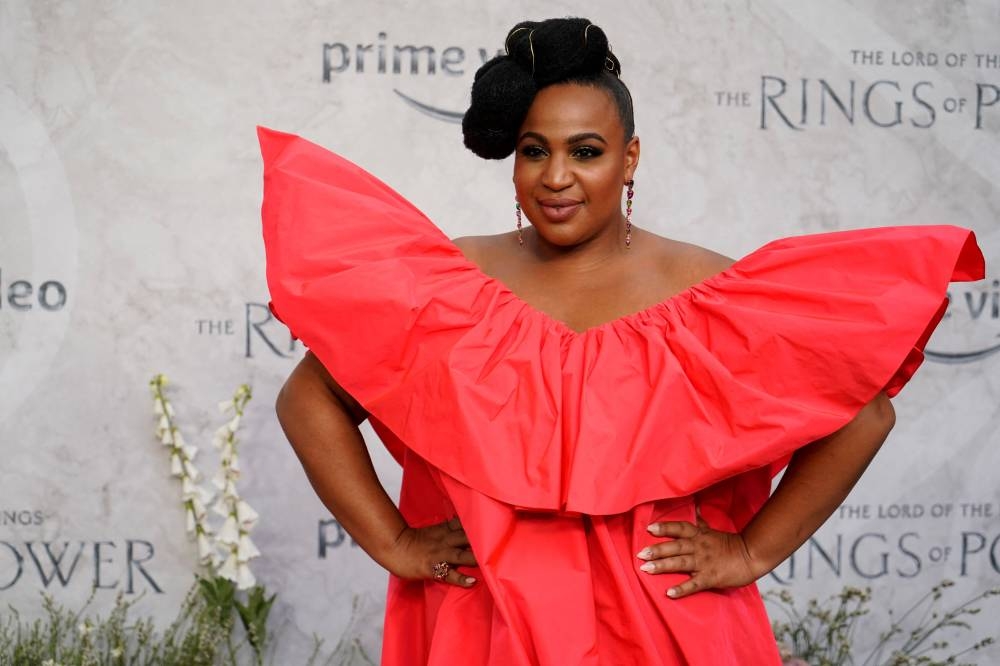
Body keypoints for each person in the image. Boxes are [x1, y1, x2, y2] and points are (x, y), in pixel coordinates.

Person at [261, 17, 984, 665]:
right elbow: (309, 397)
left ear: (630, 158)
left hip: (666, 627)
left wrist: (751, 550)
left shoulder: (709, 293)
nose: (556, 177)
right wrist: (393, 542)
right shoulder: (453, 281)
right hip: (486, 623)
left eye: (586, 150)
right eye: (533, 150)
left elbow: (865, 412)